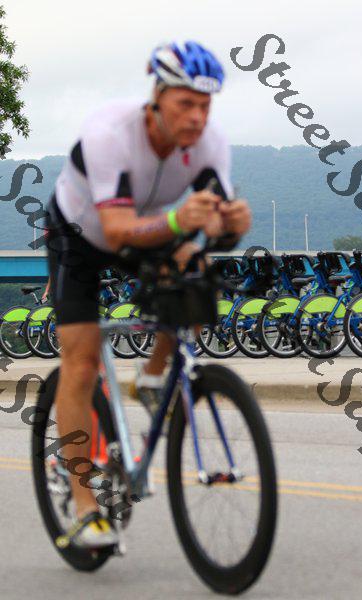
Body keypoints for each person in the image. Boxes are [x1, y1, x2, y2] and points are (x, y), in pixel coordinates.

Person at [46, 40, 252, 547]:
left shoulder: (211, 143)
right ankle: (84, 507)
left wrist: (231, 226)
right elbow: (117, 230)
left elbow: (213, 230)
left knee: (197, 272)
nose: (197, 116)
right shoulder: (110, 132)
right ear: (157, 96)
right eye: (186, 103)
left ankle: (154, 375)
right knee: (81, 362)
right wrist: (180, 222)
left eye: (205, 105)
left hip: (147, 229)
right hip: (80, 236)